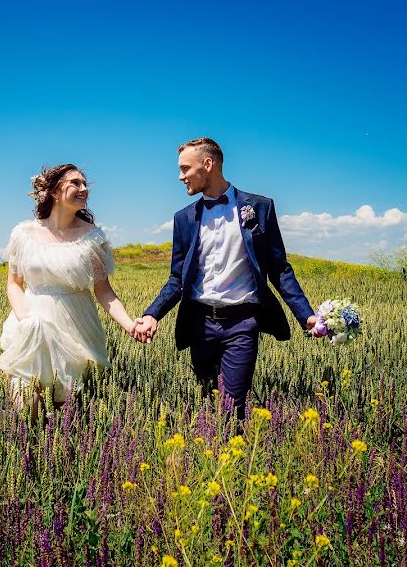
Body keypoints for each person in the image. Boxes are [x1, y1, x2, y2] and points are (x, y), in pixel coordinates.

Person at [133, 138, 322, 420]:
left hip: (242, 323)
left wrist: (306, 315)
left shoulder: (259, 208)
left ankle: (237, 455)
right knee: (210, 402)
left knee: (233, 405)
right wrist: (152, 314)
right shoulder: (183, 218)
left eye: (185, 168)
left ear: (208, 165)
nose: (180, 176)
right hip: (199, 323)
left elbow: (279, 268)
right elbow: (177, 277)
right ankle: (213, 459)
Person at [0, 164, 137, 419]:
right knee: (25, 402)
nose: (84, 189)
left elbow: (103, 289)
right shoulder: (23, 234)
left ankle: (62, 455)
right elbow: (14, 284)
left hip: (75, 324)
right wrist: (26, 319)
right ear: (53, 190)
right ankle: (26, 453)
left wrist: (129, 325)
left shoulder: (93, 238)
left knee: (67, 408)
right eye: (76, 183)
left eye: (85, 184)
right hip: (31, 322)